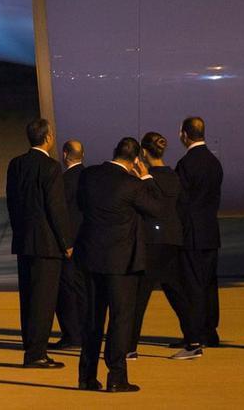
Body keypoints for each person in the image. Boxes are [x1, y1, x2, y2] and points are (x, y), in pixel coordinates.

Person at [75, 138, 162, 392]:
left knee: (92, 319)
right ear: (136, 160)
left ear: (114, 152)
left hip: (90, 258)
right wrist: (146, 178)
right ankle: (116, 376)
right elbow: (156, 209)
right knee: (120, 319)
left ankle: (86, 376)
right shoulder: (133, 185)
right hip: (121, 263)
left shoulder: (89, 176)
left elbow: (81, 205)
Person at [5, 118, 72, 368]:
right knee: (44, 300)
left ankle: (30, 344)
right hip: (46, 244)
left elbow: (11, 202)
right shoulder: (51, 167)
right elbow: (56, 207)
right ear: (47, 138)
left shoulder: (16, 165)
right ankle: (37, 353)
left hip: (24, 241)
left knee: (29, 297)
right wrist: (66, 241)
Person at [131, 131, 196, 360]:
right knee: (176, 291)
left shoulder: (147, 179)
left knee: (139, 296)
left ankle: (129, 346)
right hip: (173, 239)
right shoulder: (174, 176)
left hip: (153, 241)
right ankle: (193, 340)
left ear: (145, 153)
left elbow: (147, 206)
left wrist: (142, 178)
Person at [173, 116, 224, 351]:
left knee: (192, 284)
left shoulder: (185, 164)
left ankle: (194, 333)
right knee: (209, 283)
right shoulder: (214, 163)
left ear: (185, 134)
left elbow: (180, 201)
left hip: (191, 234)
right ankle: (210, 330)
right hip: (210, 232)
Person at [53, 139, 87, 349]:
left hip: (70, 244)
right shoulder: (90, 178)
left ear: (65, 154)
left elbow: (61, 215)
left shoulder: (63, 182)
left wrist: (65, 242)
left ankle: (72, 334)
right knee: (84, 291)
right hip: (88, 242)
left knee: (66, 291)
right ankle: (85, 331)